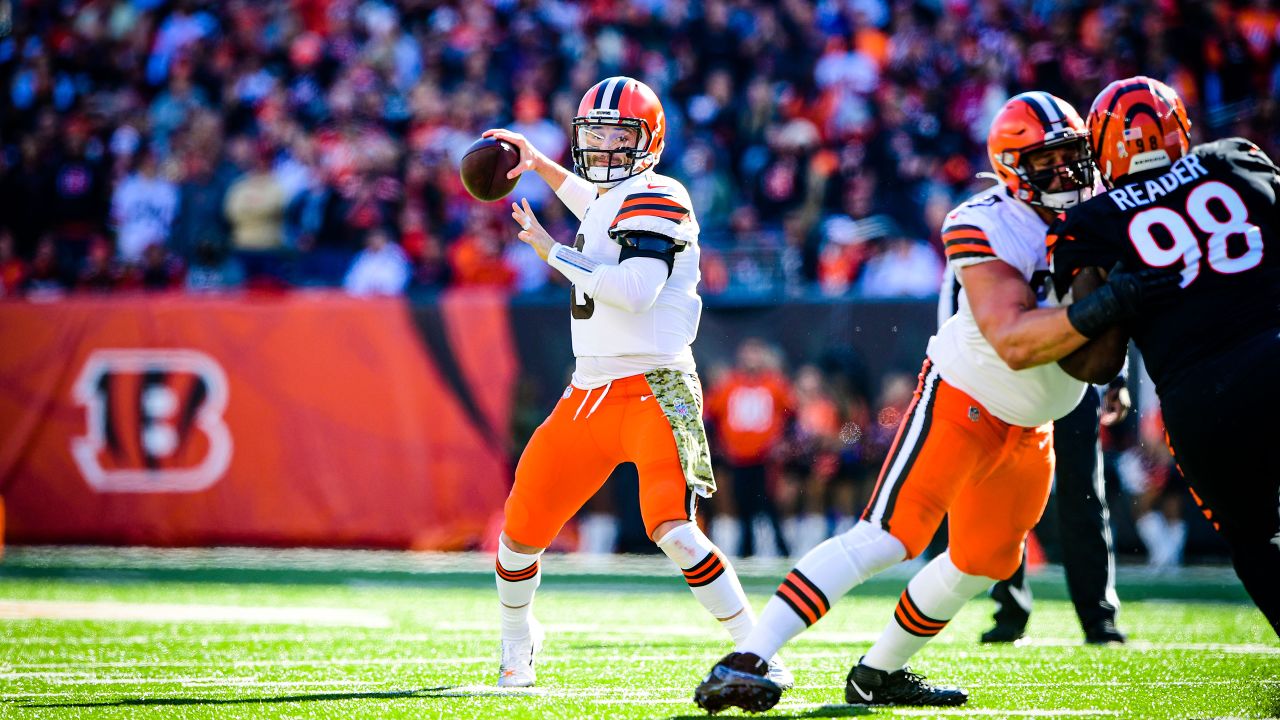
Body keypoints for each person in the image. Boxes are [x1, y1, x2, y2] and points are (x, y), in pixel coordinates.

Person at [693, 92, 1178, 713]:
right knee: (887, 536)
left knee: (984, 559)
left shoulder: (1102, 209)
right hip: (964, 400)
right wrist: (1110, 304)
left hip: (1035, 425)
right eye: (1046, 163)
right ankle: (750, 656)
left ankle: (878, 673)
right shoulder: (984, 221)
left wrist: (1112, 374)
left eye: (1072, 158)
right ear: (1010, 168)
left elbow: (1095, 326)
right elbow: (1014, 338)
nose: (1065, 175)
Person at [482, 76, 792, 690]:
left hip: (655, 387)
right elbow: (594, 210)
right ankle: (517, 643)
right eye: (591, 134)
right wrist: (538, 162)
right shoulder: (613, 199)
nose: (600, 147)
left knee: (674, 530)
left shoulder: (661, 194)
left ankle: (759, 652)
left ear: (647, 140)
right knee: (519, 534)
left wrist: (551, 252)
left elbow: (633, 288)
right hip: (587, 392)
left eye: (615, 135)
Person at [1049, 76, 1280, 637]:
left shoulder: (1090, 222)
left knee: (1254, 539)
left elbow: (1096, 364)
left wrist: (1111, 302)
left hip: (1201, 400)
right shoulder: (1233, 158)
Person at [939, 264, 1128, 645]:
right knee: (1004, 493)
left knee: (1084, 491)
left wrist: (1115, 374)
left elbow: (1106, 294)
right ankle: (1010, 608)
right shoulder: (986, 223)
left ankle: (1098, 616)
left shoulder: (1080, 224)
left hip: (1072, 375)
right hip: (1008, 377)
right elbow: (955, 300)